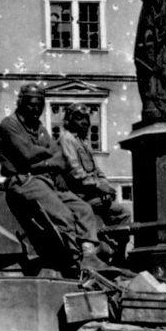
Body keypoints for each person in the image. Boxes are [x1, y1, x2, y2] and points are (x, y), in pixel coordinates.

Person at [0, 84, 106, 273]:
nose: (36, 109)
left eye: (40, 105)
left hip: (44, 179)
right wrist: (49, 158)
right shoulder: (10, 124)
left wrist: (47, 162)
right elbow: (26, 155)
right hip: (23, 181)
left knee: (83, 208)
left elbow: (60, 158)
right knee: (62, 214)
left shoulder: (39, 127)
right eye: (32, 105)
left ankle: (89, 257)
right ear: (21, 103)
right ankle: (73, 260)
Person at [57, 103, 132, 260]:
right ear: (69, 121)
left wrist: (105, 186)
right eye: (79, 118)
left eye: (86, 118)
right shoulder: (67, 139)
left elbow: (97, 171)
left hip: (91, 194)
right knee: (118, 213)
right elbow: (75, 173)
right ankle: (99, 252)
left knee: (123, 214)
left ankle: (118, 256)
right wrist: (99, 187)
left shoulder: (83, 142)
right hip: (77, 196)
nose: (84, 122)